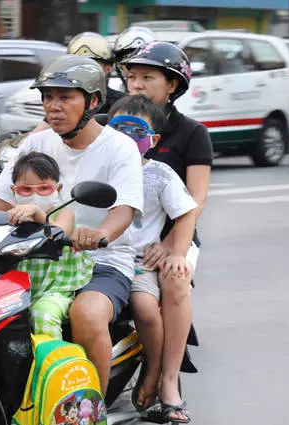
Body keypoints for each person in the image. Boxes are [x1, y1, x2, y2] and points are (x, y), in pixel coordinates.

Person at [0, 54, 144, 394]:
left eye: (65, 97)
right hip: (28, 254)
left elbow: (123, 209)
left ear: (93, 101)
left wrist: (99, 235)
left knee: (87, 314)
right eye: (48, 97)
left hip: (100, 260)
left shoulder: (119, 148)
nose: (53, 107)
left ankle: (89, 406)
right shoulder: (38, 142)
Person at [121, 42, 212, 422]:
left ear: (171, 84)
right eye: (131, 77)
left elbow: (196, 200)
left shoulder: (192, 133)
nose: (136, 85)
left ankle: (168, 379)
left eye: (147, 77)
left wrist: (170, 246)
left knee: (175, 280)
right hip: (122, 233)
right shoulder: (117, 122)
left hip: (176, 231)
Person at [108, 95, 197, 422]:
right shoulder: (100, 167)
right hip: (95, 257)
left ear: (153, 140)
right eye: (119, 129)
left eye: (137, 130)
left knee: (146, 308)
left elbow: (186, 213)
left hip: (138, 262)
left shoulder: (160, 175)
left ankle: (155, 371)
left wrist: (175, 252)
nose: (128, 137)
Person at [0, 151, 94, 339]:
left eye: (44, 188)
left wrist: (37, 213)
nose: (35, 194)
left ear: (58, 188)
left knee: (43, 315)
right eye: (26, 190)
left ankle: (50, 364)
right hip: (14, 289)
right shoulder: (11, 214)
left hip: (55, 288)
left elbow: (59, 231)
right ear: (14, 191)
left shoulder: (64, 213)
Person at [111, 26, 156, 92]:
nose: (136, 64)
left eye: (144, 58)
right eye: (128, 58)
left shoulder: (161, 93)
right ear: (119, 64)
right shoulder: (112, 94)